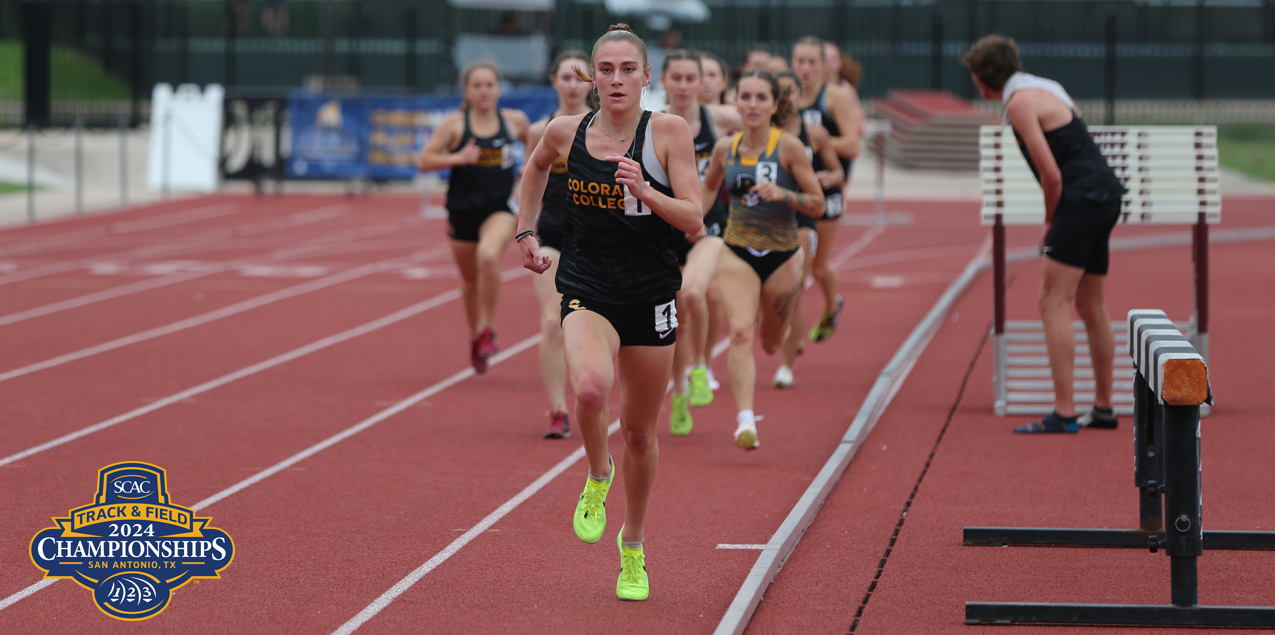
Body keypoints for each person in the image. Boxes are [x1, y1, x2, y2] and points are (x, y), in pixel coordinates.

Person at [514, 24, 703, 600]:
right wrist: (526, 229)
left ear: (647, 77)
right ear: (589, 77)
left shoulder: (668, 131)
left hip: (650, 294)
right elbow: (535, 169)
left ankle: (633, 547)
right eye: (605, 69)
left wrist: (646, 191)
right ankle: (598, 474)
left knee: (642, 433)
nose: (616, 79)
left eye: (627, 70)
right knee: (592, 391)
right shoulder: (565, 132)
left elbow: (693, 219)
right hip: (586, 285)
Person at [963, 34, 1126, 433]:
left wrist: (1051, 221)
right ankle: (1104, 407)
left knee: (1052, 302)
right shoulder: (1045, 88)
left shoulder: (1019, 104)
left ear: (983, 77)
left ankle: (1064, 411)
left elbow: (1052, 176)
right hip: (1105, 195)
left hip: (1080, 199)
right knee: (1092, 307)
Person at [699, 70, 825, 450]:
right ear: (736, 101)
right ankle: (744, 421)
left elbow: (816, 202)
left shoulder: (788, 147)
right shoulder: (726, 149)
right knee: (739, 331)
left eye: (760, 98)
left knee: (770, 342)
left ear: (774, 105)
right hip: (737, 249)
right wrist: (693, 220)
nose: (752, 105)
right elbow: (708, 187)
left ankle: (781, 337)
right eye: (746, 97)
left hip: (784, 255)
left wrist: (785, 195)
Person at [418, 62, 530, 374]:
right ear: (467, 90)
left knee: (488, 258)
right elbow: (424, 160)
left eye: (490, 85)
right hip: (462, 210)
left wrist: (523, 183)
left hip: (499, 208)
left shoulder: (514, 121)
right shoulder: (455, 125)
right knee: (469, 282)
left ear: (499, 88)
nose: (484, 91)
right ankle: (473, 335)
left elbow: (536, 148)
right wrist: (456, 157)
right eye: (477, 85)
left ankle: (488, 329)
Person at [660, 50, 742, 436]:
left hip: (709, 225)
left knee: (694, 294)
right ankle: (678, 394)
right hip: (665, 229)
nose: (682, 85)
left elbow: (771, 132)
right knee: (675, 316)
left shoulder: (720, 119)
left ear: (700, 83)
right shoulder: (653, 124)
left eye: (689, 78)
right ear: (662, 81)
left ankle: (700, 366)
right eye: (675, 77)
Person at [525, 50, 595, 439]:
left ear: (592, 83)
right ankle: (557, 408)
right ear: (554, 81)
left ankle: (591, 393)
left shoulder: (604, 127)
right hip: (552, 237)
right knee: (553, 320)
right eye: (565, 78)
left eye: (579, 78)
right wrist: (525, 231)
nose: (572, 85)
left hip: (597, 242)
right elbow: (530, 181)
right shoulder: (542, 131)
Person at [772, 70, 843, 389]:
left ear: (801, 96)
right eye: (780, 93)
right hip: (768, 213)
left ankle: (786, 366)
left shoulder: (814, 134)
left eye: (791, 92)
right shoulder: (764, 131)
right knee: (771, 290)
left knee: (798, 285)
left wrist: (830, 178)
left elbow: (837, 170)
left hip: (803, 213)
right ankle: (782, 329)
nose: (786, 99)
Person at [792, 36, 863, 344]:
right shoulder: (787, 98)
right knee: (796, 263)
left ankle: (833, 304)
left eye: (812, 62)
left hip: (827, 191)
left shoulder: (835, 97)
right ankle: (787, 327)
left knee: (818, 265)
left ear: (825, 65)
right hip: (794, 190)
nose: (805, 68)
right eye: (799, 62)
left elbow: (852, 144)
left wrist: (814, 142)